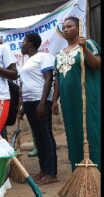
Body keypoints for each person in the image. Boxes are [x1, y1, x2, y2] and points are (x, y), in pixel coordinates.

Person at [52, 16, 101, 171]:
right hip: (68, 101)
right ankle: (79, 170)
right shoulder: (59, 54)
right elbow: (58, 79)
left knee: (91, 131)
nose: (65, 29)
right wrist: (54, 100)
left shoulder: (89, 44)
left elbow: (97, 65)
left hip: (87, 98)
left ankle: (95, 169)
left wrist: (84, 48)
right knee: (73, 133)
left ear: (79, 28)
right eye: (64, 27)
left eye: (70, 26)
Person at [18, 32, 58, 185]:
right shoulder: (26, 62)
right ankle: (43, 170)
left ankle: (51, 173)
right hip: (29, 102)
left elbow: (48, 78)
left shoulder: (43, 56)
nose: (22, 45)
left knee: (45, 135)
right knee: (38, 136)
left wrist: (43, 102)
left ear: (31, 43)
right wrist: (22, 110)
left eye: (24, 42)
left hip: (40, 101)